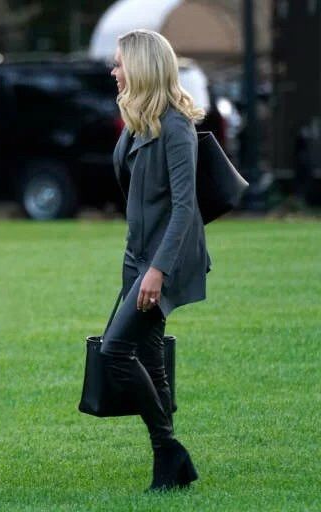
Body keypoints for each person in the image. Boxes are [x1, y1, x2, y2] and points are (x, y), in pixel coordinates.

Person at [102, 29, 210, 491]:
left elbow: (185, 206)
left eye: (119, 63)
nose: (113, 71)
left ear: (142, 67)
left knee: (113, 351)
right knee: (150, 357)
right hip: (136, 258)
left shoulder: (177, 126)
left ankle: (169, 450)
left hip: (160, 262)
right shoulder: (137, 121)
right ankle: (170, 466)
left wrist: (157, 271)